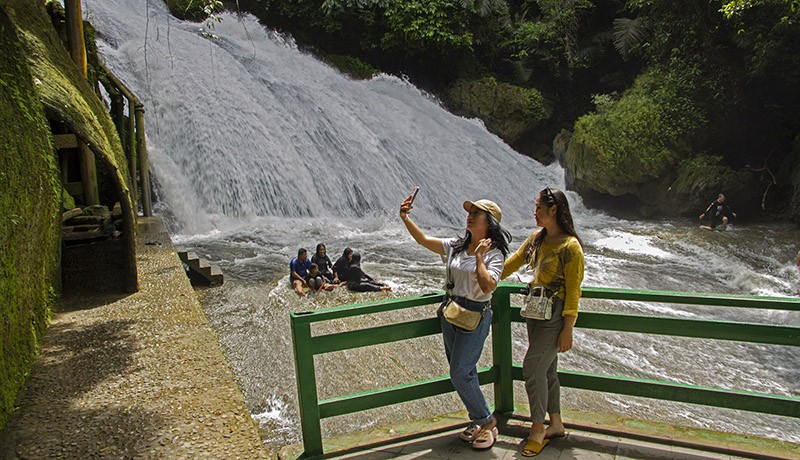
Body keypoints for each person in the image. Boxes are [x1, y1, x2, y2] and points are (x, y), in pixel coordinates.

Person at [399, 195, 511, 451]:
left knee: (459, 372)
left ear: (489, 223)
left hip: (476, 314)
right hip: (451, 313)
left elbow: (487, 286)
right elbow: (423, 240)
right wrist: (405, 217)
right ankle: (477, 418)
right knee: (463, 372)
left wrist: (480, 259)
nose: (469, 216)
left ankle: (487, 421)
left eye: (476, 214)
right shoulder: (456, 245)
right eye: (470, 213)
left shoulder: (494, 254)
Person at [501, 187, 584, 457]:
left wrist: (568, 328)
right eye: (535, 206)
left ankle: (538, 428)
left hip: (555, 314)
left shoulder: (570, 247)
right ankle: (556, 423)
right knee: (546, 370)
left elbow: (573, 291)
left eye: (538, 207)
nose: (534, 212)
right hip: (535, 310)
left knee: (532, 366)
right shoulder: (537, 239)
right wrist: (481, 272)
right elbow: (511, 264)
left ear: (554, 210)